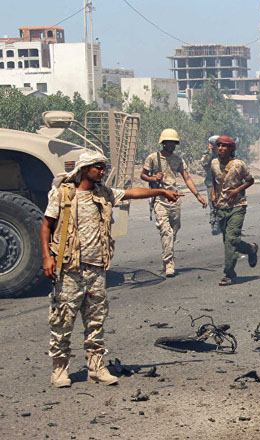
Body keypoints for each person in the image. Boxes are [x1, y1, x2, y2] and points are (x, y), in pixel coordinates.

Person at [41, 151, 183, 388]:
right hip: (70, 268)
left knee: (96, 321)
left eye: (104, 167)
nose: (103, 171)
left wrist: (160, 191)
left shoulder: (103, 194)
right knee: (62, 321)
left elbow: (131, 193)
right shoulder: (64, 194)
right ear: (84, 169)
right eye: (98, 167)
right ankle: (59, 370)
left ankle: (96, 367)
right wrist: (47, 257)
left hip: (97, 269)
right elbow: (46, 226)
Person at [140, 129, 207, 277]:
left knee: (174, 230)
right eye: (168, 142)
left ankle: (167, 252)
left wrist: (198, 196)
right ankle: (169, 263)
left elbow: (187, 178)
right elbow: (143, 175)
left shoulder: (178, 160)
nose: (171, 145)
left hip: (174, 199)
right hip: (159, 199)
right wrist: (153, 179)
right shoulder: (153, 158)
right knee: (166, 231)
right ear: (163, 143)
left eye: (173, 142)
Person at [210, 135, 259, 286]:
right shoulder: (214, 164)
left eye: (224, 146)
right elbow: (215, 181)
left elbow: (250, 180)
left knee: (231, 239)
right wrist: (213, 194)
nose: (220, 148)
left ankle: (229, 274)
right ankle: (250, 249)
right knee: (230, 241)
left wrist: (237, 191)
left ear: (231, 149)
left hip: (238, 206)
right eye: (218, 145)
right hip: (221, 207)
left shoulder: (239, 164)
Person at [200, 135, 221, 235]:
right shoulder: (207, 154)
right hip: (210, 182)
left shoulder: (223, 152)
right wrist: (210, 153)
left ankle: (222, 222)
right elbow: (204, 164)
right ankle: (214, 224)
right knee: (213, 203)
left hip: (222, 181)